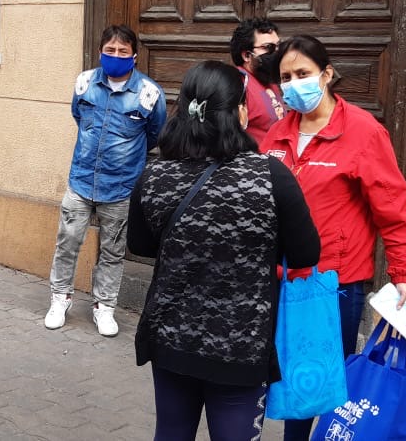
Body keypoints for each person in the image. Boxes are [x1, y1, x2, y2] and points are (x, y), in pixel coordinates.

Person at [128, 60, 321, 440]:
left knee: (171, 432)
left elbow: (140, 245)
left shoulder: (155, 173)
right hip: (241, 346)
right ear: (240, 113)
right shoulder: (271, 176)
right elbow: (306, 255)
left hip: (171, 337)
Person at [259, 35, 406, 441]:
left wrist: (402, 272)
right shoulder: (278, 133)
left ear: (327, 74)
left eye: (303, 74)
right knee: (279, 373)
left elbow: (393, 207)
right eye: (285, 77)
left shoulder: (364, 133)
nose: (294, 84)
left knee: (321, 385)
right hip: (278, 278)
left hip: (332, 282)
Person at [43, 25, 167, 337]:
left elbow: (154, 134)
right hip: (81, 181)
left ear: (134, 56)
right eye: (109, 50)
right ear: (101, 52)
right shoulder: (85, 83)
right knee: (68, 243)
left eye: (122, 51)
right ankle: (60, 299)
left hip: (121, 187)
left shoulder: (149, 94)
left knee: (113, 250)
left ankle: (104, 306)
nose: (115, 56)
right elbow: (78, 118)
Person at [229, 17, 285, 143]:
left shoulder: (269, 79)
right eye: (268, 47)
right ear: (247, 55)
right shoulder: (236, 84)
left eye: (278, 46)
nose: (276, 52)